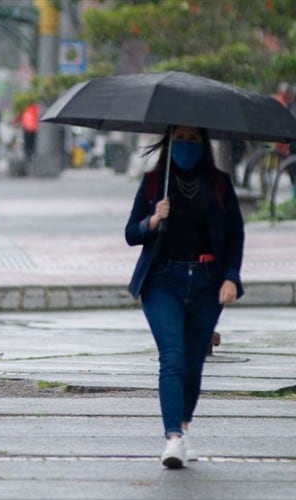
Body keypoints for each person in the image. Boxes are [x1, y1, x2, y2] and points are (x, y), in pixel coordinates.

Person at [125, 125, 244, 469]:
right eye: (180, 138)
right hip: (162, 281)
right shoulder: (153, 182)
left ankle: (184, 424)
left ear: (204, 144)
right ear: (169, 140)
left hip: (208, 283)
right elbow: (131, 233)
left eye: (193, 140)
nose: (186, 145)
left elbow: (235, 235)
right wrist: (152, 220)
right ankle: (173, 437)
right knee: (173, 357)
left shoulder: (219, 182)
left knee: (193, 362)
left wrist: (231, 277)